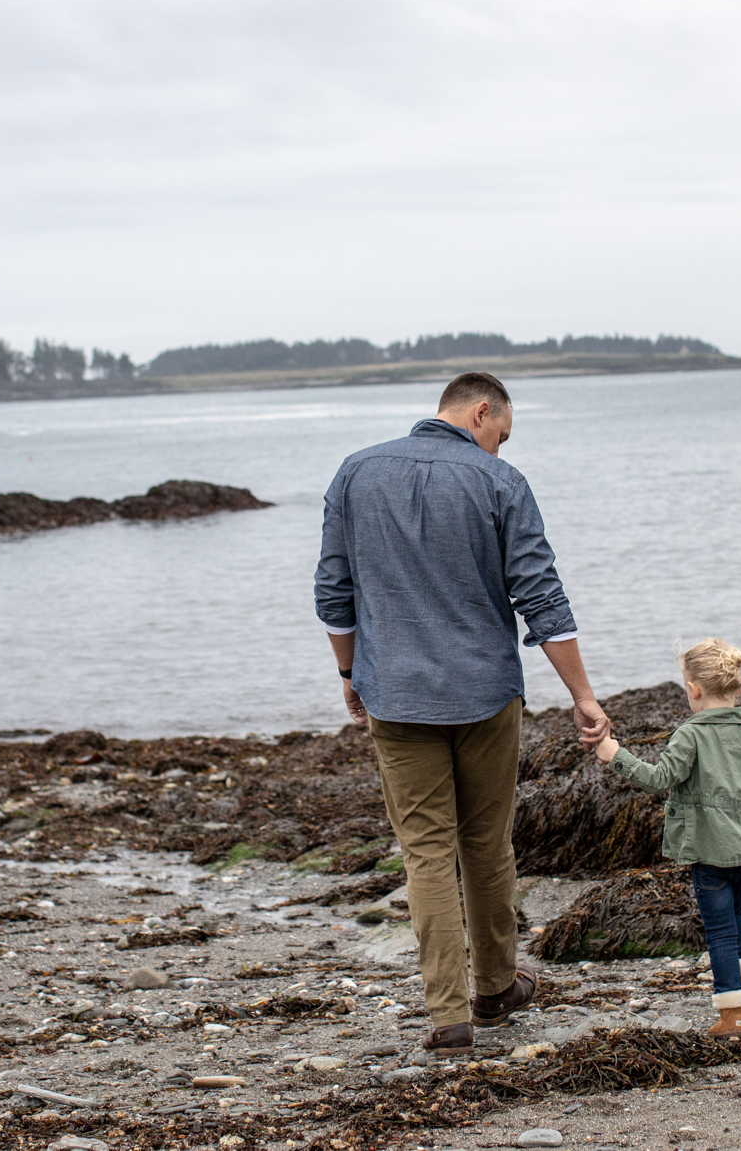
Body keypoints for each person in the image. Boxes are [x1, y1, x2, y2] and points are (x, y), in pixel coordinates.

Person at [315, 371, 612, 1058]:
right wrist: (583, 695)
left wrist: (347, 671)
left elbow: (334, 588)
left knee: (425, 853)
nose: (497, 450)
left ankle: (449, 1018)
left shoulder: (356, 472)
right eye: (498, 435)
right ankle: (497, 988)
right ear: (482, 411)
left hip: (397, 694)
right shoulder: (499, 483)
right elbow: (541, 595)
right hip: (484, 694)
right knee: (486, 843)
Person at [595, 638, 741, 1036]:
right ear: (737, 687)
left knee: (718, 928)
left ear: (695, 689)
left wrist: (616, 755)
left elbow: (659, 778)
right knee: (736, 912)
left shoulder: (691, 733)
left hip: (710, 852)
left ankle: (732, 1014)